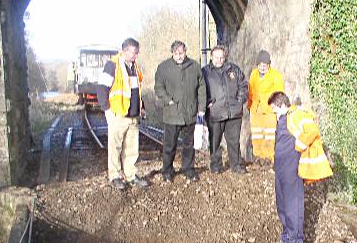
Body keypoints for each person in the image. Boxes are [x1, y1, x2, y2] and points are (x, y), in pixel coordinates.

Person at [267, 91, 333, 243]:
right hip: (281, 168)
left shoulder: (297, 115)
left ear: (282, 105)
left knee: (293, 205)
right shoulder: (283, 118)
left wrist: (299, 146)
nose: (273, 112)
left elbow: (312, 130)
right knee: (282, 204)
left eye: (274, 109)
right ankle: (286, 238)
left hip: (292, 168)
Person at [97, 38, 149, 190]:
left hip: (133, 115)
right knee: (115, 148)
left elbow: (136, 91)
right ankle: (114, 176)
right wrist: (107, 109)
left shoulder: (134, 67)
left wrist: (142, 107)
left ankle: (131, 175)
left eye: (137, 53)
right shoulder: (112, 65)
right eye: (134, 53)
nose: (136, 56)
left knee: (132, 149)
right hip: (118, 114)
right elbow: (101, 88)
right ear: (125, 50)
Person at [154, 40, 207, 182]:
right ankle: (167, 171)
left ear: (185, 51)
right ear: (172, 53)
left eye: (181, 53)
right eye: (176, 53)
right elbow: (158, 87)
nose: (179, 56)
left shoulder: (194, 66)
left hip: (190, 114)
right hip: (172, 114)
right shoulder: (163, 67)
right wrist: (168, 100)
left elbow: (202, 89)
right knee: (169, 145)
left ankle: (188, 169)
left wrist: (201, 108)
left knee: (189, 145)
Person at [201, 44, 248, 174]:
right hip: (214, 113)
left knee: (234, 141)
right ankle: (216, 165)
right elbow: (199, 90)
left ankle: (236, 165)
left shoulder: (233, 69)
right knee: (214, 142)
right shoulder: (205, 72)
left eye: (221, 57)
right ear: (211, 57)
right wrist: (207, 103)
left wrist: (239, 101)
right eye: (216, 57)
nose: (219, 60)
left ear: (225, 57)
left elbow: (243, 85)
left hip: (234, 113)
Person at [247, 50, 284, 162]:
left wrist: (277, 108)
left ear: (269, 65)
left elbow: (279, 92)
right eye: (260, 65)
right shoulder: (253, 74)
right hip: (255, 109)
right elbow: (250, 90)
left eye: (265, 65)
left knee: (269, 135)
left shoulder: (275, 75)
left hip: (269, 110)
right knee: (257, 134)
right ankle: (258, 156)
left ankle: (268, 157)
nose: (262, 67)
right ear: (257, 64)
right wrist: (249, 105)